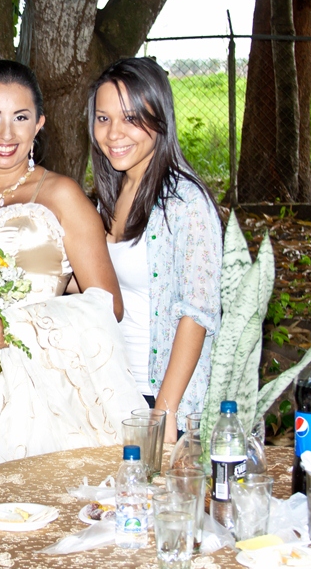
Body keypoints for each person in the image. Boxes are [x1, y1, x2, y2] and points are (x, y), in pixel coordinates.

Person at [0, 60, 147, 475]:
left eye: (20, 118)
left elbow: (109, 303)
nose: (6, 134)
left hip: (34, 388)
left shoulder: (61, 195)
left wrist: (17, 327)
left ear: (39, 124)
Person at [89, 57, 223, 441]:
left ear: (160, 118)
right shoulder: (107, 196)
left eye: (131, 118)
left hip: (162, 400)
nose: (114, 133)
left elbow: (196, 313)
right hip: (114, 390)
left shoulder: (185, 203)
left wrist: (165, 412)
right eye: (103, 118)